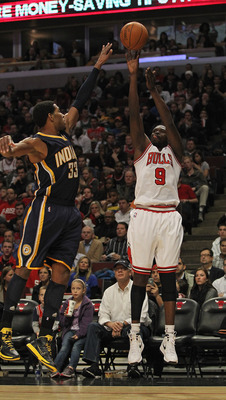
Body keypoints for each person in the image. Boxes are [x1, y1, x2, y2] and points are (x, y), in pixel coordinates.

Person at [0, 43, 113, 372]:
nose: (66, 114)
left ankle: (44, 337)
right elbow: (17, 148)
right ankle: (5, 331)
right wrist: (7, 151)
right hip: (46, 208)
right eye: (59, 112)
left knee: (62, 275)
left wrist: (98, 65)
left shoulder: (64, 134)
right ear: (50, 117)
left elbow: (80, 100)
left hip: (69, 213)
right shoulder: (39, 141)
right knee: (24, 268)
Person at [125, 51, 184, 366]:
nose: (159, 131)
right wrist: (133, 76)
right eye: (156, 130)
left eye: (163, 131)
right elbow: (134, 115)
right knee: (139, 278)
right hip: (145, 215)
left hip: (169, 218)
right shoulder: (142, 149)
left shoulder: (175, 152)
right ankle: (135, 337)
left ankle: (169, 340)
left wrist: (154, 91)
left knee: (169, 279)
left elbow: (170, 121)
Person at [82, 259, 151, 379]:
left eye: (123, 268)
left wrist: (122, 324)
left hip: (134, 327)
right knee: (93, 327)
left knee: (134, 330)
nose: (119, 271)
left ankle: (133, 366)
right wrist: (111, 324)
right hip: (112, 329)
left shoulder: (139, 290)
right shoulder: (109, 291)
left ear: (130, 272)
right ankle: (94, 366)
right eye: (117, 269)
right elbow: (102, 315)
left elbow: (142, 315)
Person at [51, 279, 94, 378]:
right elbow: (62, 323)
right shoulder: (67, 303)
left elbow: (86, 323)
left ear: (83, 290)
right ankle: (54, 368)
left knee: (76, 346)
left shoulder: (88, 304)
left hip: (83, 333)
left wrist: (79, 335)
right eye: (73, 288)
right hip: (70, 330)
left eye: (78, 289)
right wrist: (67, 316)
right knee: (65, 346)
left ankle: (70, 368)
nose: (75, 291)